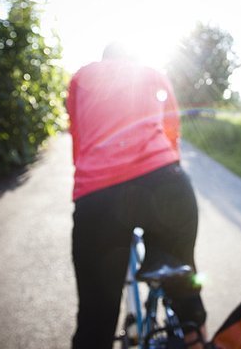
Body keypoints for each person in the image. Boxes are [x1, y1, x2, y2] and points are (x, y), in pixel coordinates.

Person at [66, 42, 207, 349]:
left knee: (95, 317)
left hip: (99, 195)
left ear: (104, 59)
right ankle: (195, 336)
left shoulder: (81, 77)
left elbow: (78, 135)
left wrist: (88, 178)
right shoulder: (152, 73)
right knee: (185, 284)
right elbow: (172, 132)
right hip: (164, 183)